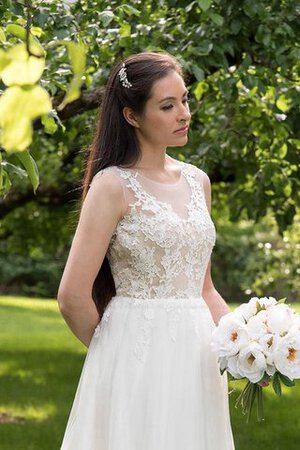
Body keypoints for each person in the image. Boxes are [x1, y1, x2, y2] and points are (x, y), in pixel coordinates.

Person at [57, 51, 236, 450]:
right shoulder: (112, 185)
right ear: (132, 116)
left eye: (185, 100)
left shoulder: (198, 182)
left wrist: (245, 340)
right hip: (135, 361)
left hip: (199, 362)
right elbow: (72, 296)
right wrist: (117, 356)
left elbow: (204, 288)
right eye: (167, 106)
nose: (184, 114)